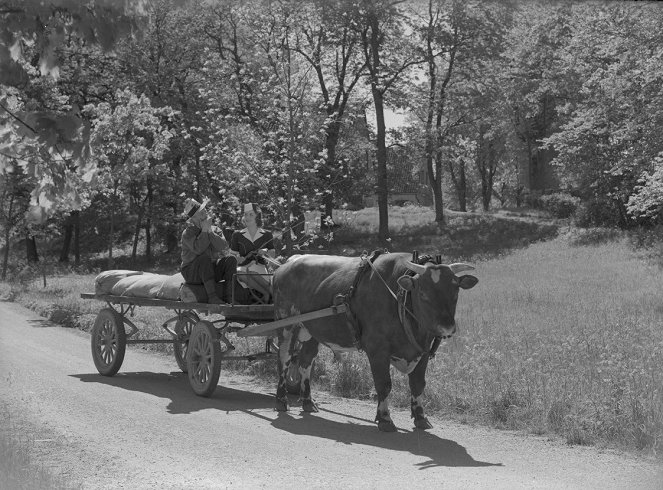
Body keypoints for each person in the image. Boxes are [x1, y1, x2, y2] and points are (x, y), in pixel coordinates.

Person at [180, 197, 237, 304]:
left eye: (205, 209)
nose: (206, 211)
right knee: (204, 258)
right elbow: (198, 250)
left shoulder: (215, 229)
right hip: (192, 273)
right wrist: (204, 231)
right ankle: (212, 297)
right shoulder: (188, 233)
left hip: (210, 269)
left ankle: (230, 297)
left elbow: (223, 247)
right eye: (202, 211)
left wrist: (210, 231)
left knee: (231, 259)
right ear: (194, 218)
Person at [230, 203, 275, 302]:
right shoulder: (237, 235)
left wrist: (265, 251)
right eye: (245, 214)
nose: (247, 217)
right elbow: (232, 256)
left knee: (255, 273)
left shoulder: (267, 234)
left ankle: (275, 296)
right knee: (240, 272)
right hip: (243, 268)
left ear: (257, 217)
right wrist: (239, 259)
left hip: (260, 267)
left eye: (251, 214)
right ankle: (266, 293)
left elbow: (272, 254)